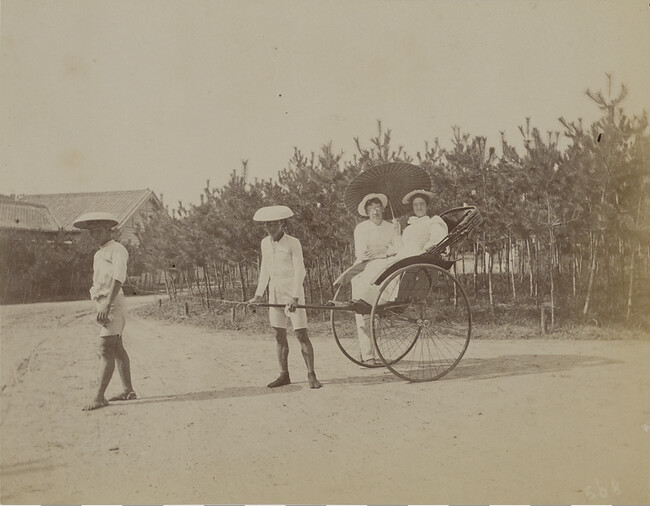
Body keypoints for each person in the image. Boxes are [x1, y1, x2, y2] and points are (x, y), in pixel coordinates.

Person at [247, 205, 322, 389]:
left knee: (301, 335)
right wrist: (258, 295)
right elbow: (264, 270)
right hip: (275, 295)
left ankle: (311, 375)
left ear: (281, 224)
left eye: (274, 224)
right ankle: (284, 375)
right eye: (267, 225)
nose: (270, 228)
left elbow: (300, 270)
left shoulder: (293, 242)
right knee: (279, 335)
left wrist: (295, 296)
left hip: (292, 295)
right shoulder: (265, 243)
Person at [73, 212, 136, 411]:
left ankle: (99, 397)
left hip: (113, 301)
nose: (95, 235)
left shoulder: (117, 249)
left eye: (98, 231)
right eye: (91, 232)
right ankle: (128, 390)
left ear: (109, 230)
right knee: (116, 347)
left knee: (105, 347)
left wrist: (108, 304)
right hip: (103, 301)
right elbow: (99, 281)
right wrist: (100, 303)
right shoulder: (98, 254)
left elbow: (118, 277)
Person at [350, 194, 400, 365]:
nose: (375, 211)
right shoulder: (361, 229)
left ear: (383, 209)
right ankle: (367, 355)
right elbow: (362, 253)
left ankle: (371, 353)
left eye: (378, 207)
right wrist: (384, 251)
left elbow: (397, 248)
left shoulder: (390, 227)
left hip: (385, 265)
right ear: (366, 212)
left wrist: (396, 234)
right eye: (371, 209)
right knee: (362, 314)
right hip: (365, 267)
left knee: (375, 311)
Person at [396, 189, 448, 258]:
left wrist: (423, 253)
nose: (419, 207)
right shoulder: (408, 229)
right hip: (402, 258)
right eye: (415, 205)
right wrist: (397, 234)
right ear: (413, 207)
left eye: (422, 204)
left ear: (427, 206)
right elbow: (400, 248)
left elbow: (437, 241)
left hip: (418, 259)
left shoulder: (433, 222)